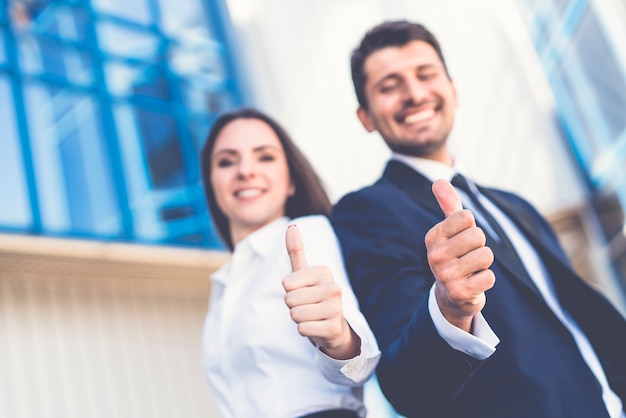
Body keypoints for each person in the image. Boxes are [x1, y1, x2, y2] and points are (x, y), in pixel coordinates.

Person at [329, 20, 626, 418]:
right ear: (365, 116)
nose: (414, 94)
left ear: (452, 90)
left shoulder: (515, 205)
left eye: (426, 75)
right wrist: (450, 309)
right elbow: (406, 384)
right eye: (389, 86)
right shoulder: (367, 211)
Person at [200, 107, 380, 418]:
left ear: (291, 182)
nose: (245, 170)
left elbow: (359, 363)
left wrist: (339, 338)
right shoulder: (224, 284)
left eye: (265, 157)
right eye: (227, 161)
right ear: (212, 184)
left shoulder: (304, 234)